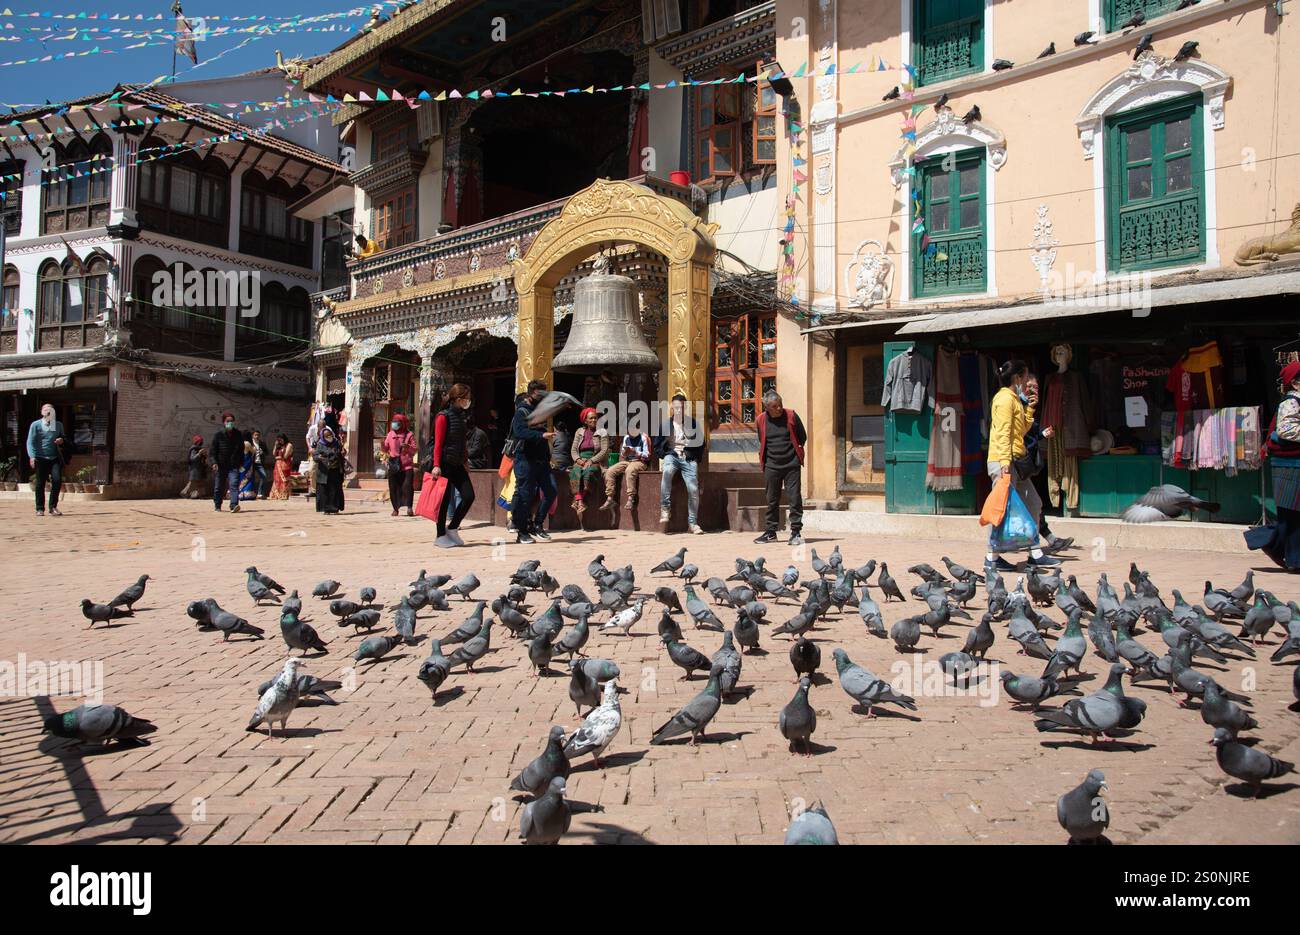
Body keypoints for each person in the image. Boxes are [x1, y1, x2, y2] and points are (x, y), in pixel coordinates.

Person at [985, 360, 1059, 570]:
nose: (1027, 382)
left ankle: (1034, 553)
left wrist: (1030, 409)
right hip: (1004, 462)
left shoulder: (1014, 399)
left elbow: (1020, 431)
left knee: (1034, 504)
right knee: (1000, 509)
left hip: (1014, 462)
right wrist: (1005, 464)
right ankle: (991, 557)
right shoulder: (1004, 399)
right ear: (1017, 378)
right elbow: (1003, 433)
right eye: (1025, 378)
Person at [1254, 360, 1300, 571]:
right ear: (1295, 383)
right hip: (1289, 468)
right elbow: (1286, 431)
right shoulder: (1291, 403)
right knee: (1291, 517)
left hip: (1293, 466)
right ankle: (1292, 558)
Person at [753, 390, 808, 546]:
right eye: (775, 406)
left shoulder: (791, 415)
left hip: (791, 464)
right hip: (772, 465)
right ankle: (771, 532)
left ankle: (796, 532)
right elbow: (761, 439)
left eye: (780, 404)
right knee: (772, 499)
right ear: (767, 408)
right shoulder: (761, 420)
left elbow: (802, 436)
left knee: (794, 498)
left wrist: (794, 454)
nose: (779, 408)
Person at [429, 383, 478, 548]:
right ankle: (440, 535)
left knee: (469, 496)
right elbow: (438, 443)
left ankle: (452, 528)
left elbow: (462, 442)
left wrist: (465, 461)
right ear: (458, 399)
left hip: (457, 463)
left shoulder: (462, 416)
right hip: (444, 464)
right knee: (443, 501)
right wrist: (436, 465)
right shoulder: (443, 416)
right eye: (466, 399)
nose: (468, 401)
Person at [509, 379, 558, 545]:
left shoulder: (541, 410)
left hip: (542, 460)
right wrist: (541, 435)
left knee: (551, 491)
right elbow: (520, 432)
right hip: (525, 459)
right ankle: (522, 531)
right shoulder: (521, 412)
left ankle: (537, 524)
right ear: (531, 392)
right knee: (525, 496)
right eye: (539, 393)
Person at [654, 393, 705, 535]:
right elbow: (657, 445)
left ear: (685, 408)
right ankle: (665, 509)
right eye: (675, 408)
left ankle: (693, 523)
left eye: (681, 408)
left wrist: (694, 457)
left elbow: (701, 443)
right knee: (667, 471)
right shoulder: (665, 425)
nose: (678, 411)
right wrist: (665, 455)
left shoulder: (693, 423)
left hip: (688, 459)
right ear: (672, 407)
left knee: (693, 488)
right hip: (672, 456)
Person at [569, 407, 609, 519]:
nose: (594, 420)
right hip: (581, 459)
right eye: (591, 418)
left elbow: (604, 450)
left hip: (595, 459)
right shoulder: (579, 432)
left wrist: (591, 460)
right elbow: (573, 450)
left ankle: (578, 500)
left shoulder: (602, 432)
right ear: (585, 420)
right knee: (575, 472)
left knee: (589, 472)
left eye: (595, 418)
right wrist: (578, 460)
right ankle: (581, 502)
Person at [27, 403, 66, 516]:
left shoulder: (58, 425)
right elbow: (30, 442)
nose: (48, 412)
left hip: (54, 457)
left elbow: (64, 437)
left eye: (51, 410)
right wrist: (32, 456)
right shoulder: (36, 425)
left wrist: (61, 440)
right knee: (40, 483)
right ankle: (39, 508)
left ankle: (53, 507)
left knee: (57, 480)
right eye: (46, 410)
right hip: (40, 457)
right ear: (42, 412)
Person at [603, 428, 652, 518]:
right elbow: (623, 454)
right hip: (628, 461)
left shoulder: (644, 437)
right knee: (610, 471)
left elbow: (648, 455)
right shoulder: (626, 437)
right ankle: (610, 498)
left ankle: (631, 498)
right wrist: (625, 452)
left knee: (629, 470)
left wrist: (636, 452)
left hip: (640, 462)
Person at [209, 411, 245, 513]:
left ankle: (233, 505)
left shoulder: (238, 434)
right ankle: (217, 505)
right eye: (228, 421)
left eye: (232, 421)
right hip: (221, 465)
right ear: (223, 422)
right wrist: (214, 463)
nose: (230, 423)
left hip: (234, 465)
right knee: (219, 487)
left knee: (234, 485)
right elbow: (212, 452)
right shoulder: (218, 435)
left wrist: (241, 463)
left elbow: (241, 450)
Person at [383, 412, 417, 517]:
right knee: (393, 487)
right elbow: (385, 448)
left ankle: (409, 507)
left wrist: (408, 448)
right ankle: (395, 509)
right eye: (393, 422)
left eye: (397, 422)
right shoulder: (390, 434)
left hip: (406, 466)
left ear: (402, 423)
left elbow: (414, 450)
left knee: (407, 486)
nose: (394, 424)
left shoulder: (409, 435)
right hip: (393, 465)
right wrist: (382, 446)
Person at [313, 426, 347, 515]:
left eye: (330, 435)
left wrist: (343, 452)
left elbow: (342, 451)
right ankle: (326, 509)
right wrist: (319, 458)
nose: (329, 437)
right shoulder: (320, 444)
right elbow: (315, 456)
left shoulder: (337, 442)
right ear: (323, 437)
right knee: (325, 491)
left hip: (335, 470)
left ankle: (335, 508)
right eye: (327, 436)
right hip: (324, 471)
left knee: (335, 490)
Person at [269, 433, 294, 500]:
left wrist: (278, 457)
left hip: (285, 464)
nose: (280, 441)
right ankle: (277, 495)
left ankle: (284, 494)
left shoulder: (289, 445)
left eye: (281, 440)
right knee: (277, 479)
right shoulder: (279, 446)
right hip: (277, 465)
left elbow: (285, 456)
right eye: (278, 440)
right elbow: (274, 454)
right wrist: (275, 445)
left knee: (284, 479)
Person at [181, 434, 207, 499]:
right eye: (199, 441)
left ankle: (197, 495)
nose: (201, 442)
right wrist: (199, 454)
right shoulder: (194, 449)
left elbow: (203, 459)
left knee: (200, 483)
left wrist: (204, 456)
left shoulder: (199, 449)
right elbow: (192, 459)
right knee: (192, 483)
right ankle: (184, 493)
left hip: (200, 469)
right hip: (195, 469)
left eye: (201, 441)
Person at [250, 430, 269, 499]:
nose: (257, 436)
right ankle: (251, 492)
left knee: (264, 476)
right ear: (252, 435)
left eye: (258, 435)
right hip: (252, 463)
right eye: (255, 435)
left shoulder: (262, 443)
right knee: (251, 478)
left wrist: (262, 452)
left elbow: (267, 452)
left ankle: (260, 493)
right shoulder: (250, 443)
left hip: (259, 463)